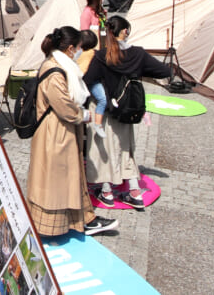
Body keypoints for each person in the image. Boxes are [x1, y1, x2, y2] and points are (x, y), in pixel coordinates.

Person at [25, 25, 118, 237]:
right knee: (55, 181)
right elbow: (64, 106)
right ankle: (49, 226)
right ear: (69, 48)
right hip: (54, 133)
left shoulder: (61, 64)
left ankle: (86, 219)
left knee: (70, 178)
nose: (79, 52)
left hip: (63, 132)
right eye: (77, 48)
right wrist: (84, 115)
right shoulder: (54, 70)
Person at [85, 16, 170, 209]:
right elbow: (164, 71)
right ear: (126, 32)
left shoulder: (102, 56)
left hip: (106, 111)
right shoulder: (138, 55)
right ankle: (134, 191)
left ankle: (106, 191)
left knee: (103, 149)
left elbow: (88, 79)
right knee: (126, 148)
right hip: (127, 109)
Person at [76, 30, 106, 136]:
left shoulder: (77, 54)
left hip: (80, 82)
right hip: (92, 82)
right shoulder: (94, 54)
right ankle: (98, 123)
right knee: (102, 99)